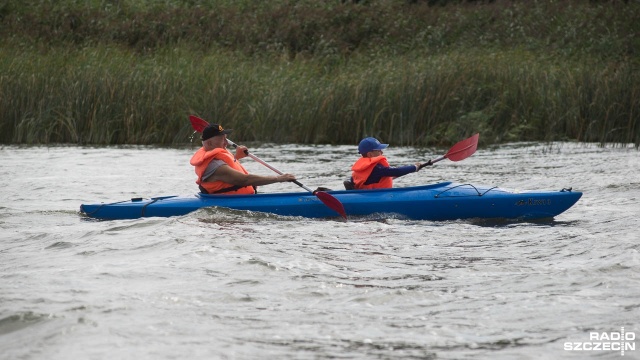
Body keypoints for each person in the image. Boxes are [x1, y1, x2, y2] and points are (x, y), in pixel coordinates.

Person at [190, 123, 296, 194]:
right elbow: (245, 179)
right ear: (209, 143)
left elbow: (228, 171)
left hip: (240, 198)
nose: (226, 143)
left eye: (226, 139)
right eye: (223, 139)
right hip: (229, 203)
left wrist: (236, 158)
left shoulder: (213, 153)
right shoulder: (214, 165)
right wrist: (279, 179)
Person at [346, 137, 429, 190]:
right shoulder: (377, 168)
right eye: (378, 150)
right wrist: (414, 167)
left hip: (365, 193)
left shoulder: (360, 169)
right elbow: (396, 171)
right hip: (375, 197)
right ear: (370, 154)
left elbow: (390, 173)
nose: (381, 152)